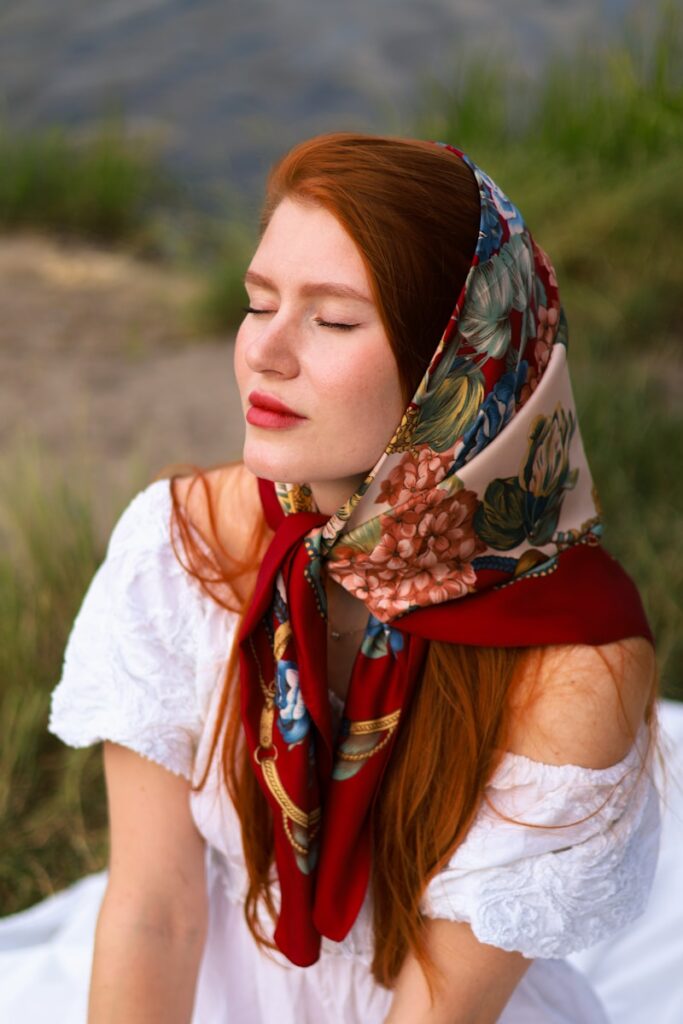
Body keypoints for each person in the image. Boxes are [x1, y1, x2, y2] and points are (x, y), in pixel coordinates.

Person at [1, 133, 680, 1024]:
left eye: (331, 320)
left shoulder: (575, 659)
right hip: (213, 976)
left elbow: (438, 1004)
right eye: (256, 303)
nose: (264, 354)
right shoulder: (181, 547)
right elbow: (155, 913)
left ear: (458, 374)